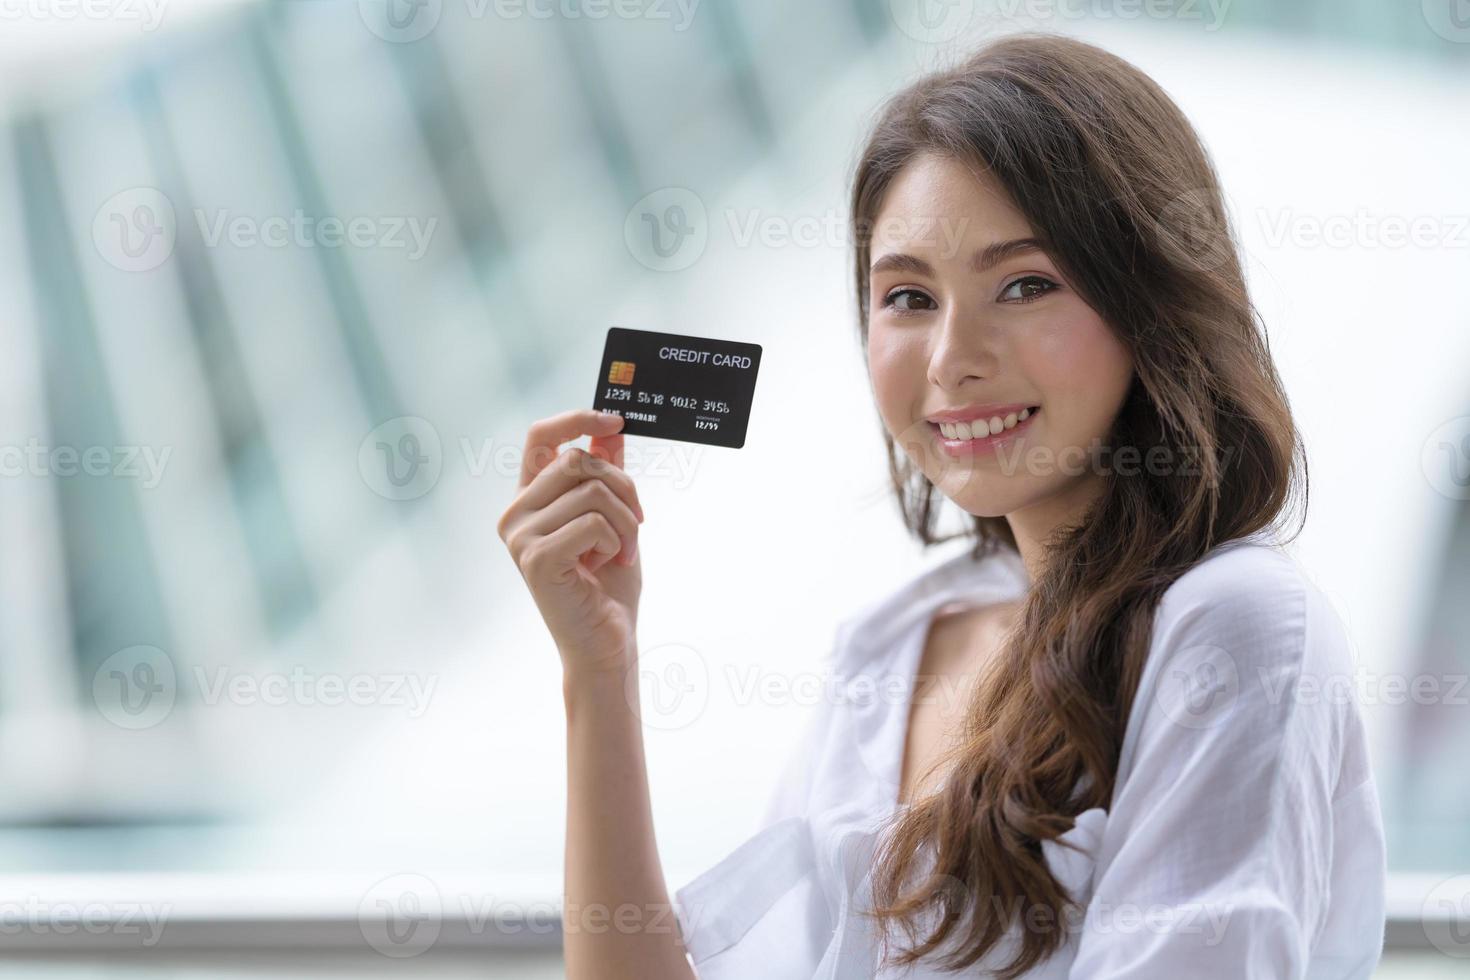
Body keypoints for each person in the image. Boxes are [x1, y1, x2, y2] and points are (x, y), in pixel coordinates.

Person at [496, 31, 1386, 979]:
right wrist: (599, 673)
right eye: (909, 297)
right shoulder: (892, 646)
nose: (954, 358)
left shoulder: (1229, 623)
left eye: (1025, 285)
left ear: (1149, 301)